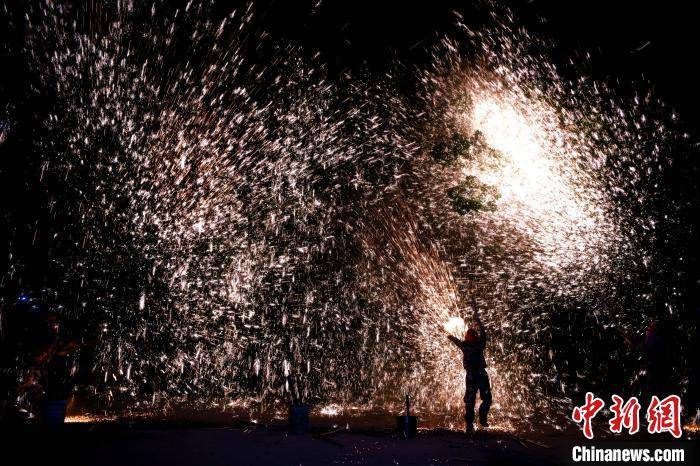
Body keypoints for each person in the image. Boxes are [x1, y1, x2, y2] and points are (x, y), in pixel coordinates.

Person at [445, 310, 492, 434]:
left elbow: (483, 333)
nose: (472, 337)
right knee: (471, 400)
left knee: (484, 398)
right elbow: (455, 340)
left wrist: (478, 321)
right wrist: (447, 334)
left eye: (472, 335)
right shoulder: (469, 345)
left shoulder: (474, 345)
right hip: (475, 375)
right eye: (471, 335)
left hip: (479, 375)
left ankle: (480, 419)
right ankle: (471, 423)